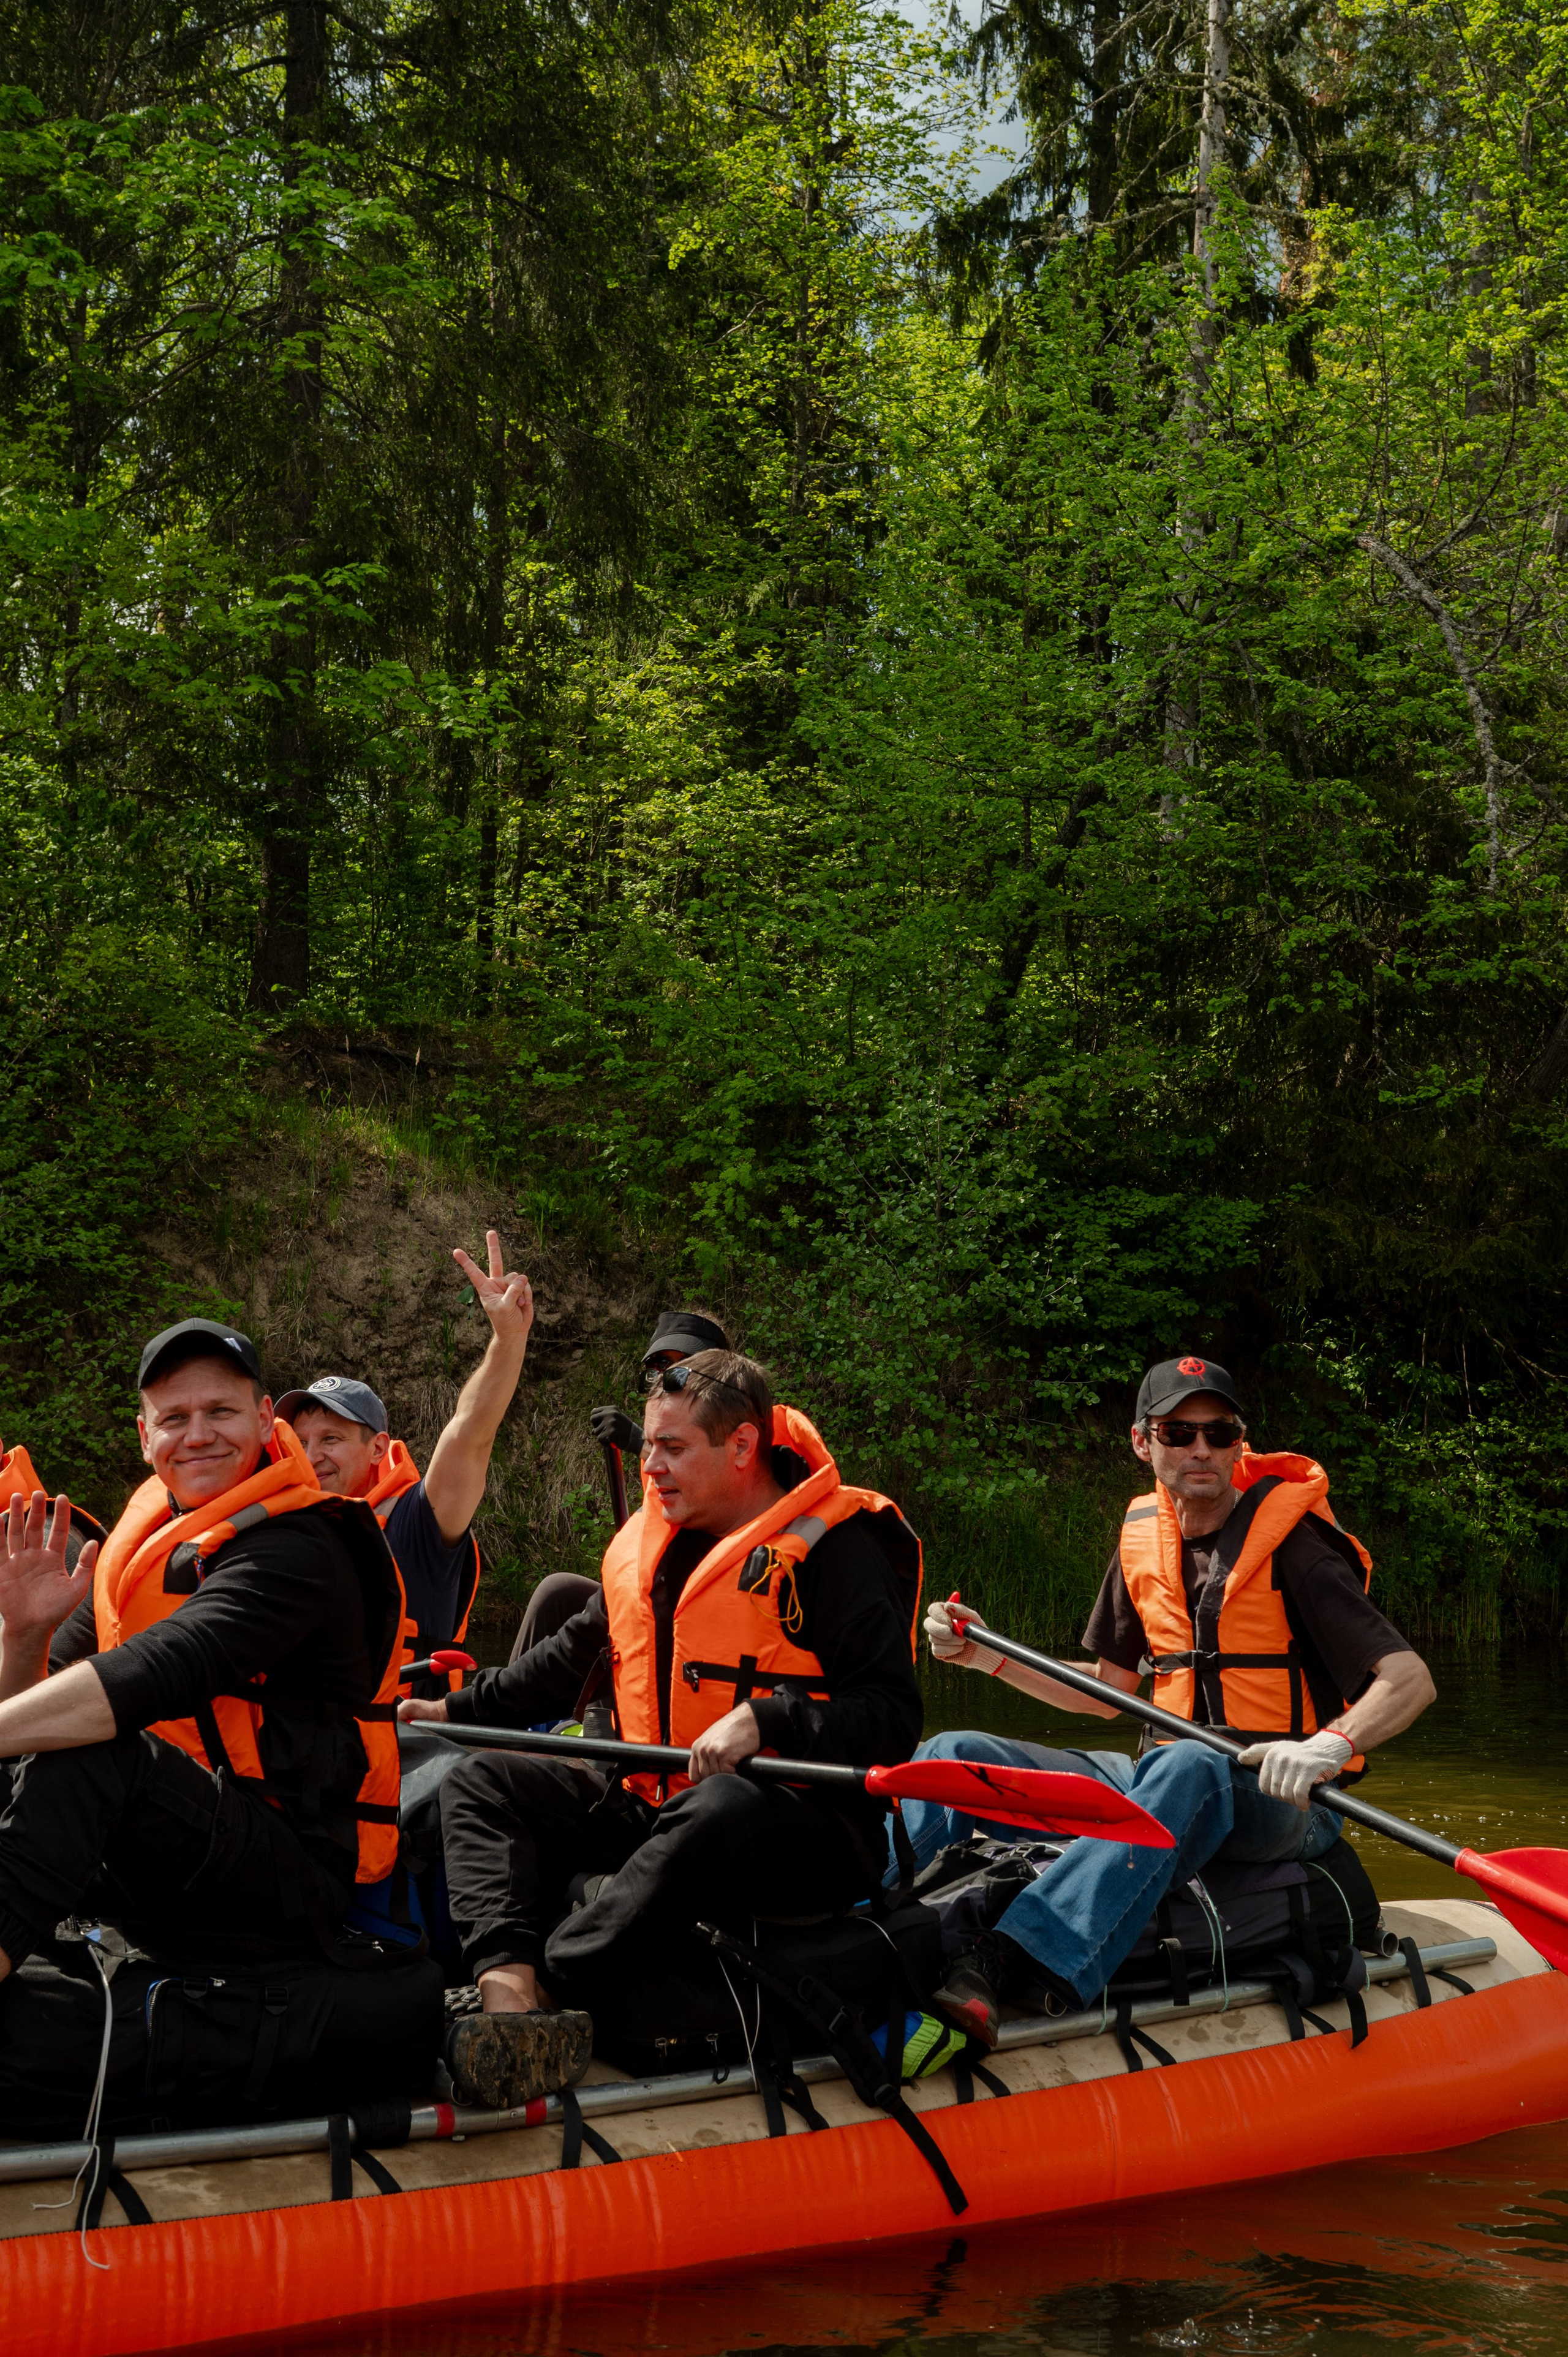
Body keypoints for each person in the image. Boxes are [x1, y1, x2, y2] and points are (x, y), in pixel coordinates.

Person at [399, 1351, 923, 2106]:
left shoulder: (836, 1549)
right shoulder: (654, 1543)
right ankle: (506, 1999)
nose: (650, 1466)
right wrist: (449, 1711)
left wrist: (768, 1717)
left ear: (741, 1445)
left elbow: (892, 1718)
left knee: (720, 1805)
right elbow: (560, 1663)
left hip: (803, 1832)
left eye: (672, 1448)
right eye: (648, 1446)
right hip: (659, 1809)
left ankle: (557, 1977)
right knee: (482, 1778)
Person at [912, 1354, 1436, 2048]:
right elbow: (1108, 1693)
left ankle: (1013, 1956)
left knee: (1188, 1764)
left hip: (1281, 1797)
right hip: (1162, 1777)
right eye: (1179, 1432)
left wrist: (1326, 1747)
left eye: (1220, 1432)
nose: (1201, 1448)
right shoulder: (1143, 1540)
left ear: (1239, 1444)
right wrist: (985, 1656)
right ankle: (863, 1917)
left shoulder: (1296, 1547)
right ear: (1142, 1441)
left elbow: (1408, 1677)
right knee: (950, 1754)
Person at [0, 1319, 407, 1982]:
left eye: (221, 1411)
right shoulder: (145, 1546)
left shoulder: (302, 1547)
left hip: (287, 1870)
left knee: (96, 1755)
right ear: (145, 1436)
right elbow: (33, 1713)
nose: (197, 1435)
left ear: (264, 1418)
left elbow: (164, 1667)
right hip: (168, 1829)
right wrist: (23, 1636)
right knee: (33, 1757)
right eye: (174, 1418)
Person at [279, 1229, 533, 1683]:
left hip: (406, 1723)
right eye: (301, 1442)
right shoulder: (283, 1528)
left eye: (331, 1439)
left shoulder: (418, 1524)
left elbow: (471, 1433)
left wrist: (508, 1339)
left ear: (377, 1447)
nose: (312, 1456)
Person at [518, 1307, 732, 1661]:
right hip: (652, 1604)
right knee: (557, 1594)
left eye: (682, 1371)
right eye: (658, 1369)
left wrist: (640, 1443)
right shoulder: (655, 1460)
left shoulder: (739, 1443)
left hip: (703, 1614)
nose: (666, 1382)